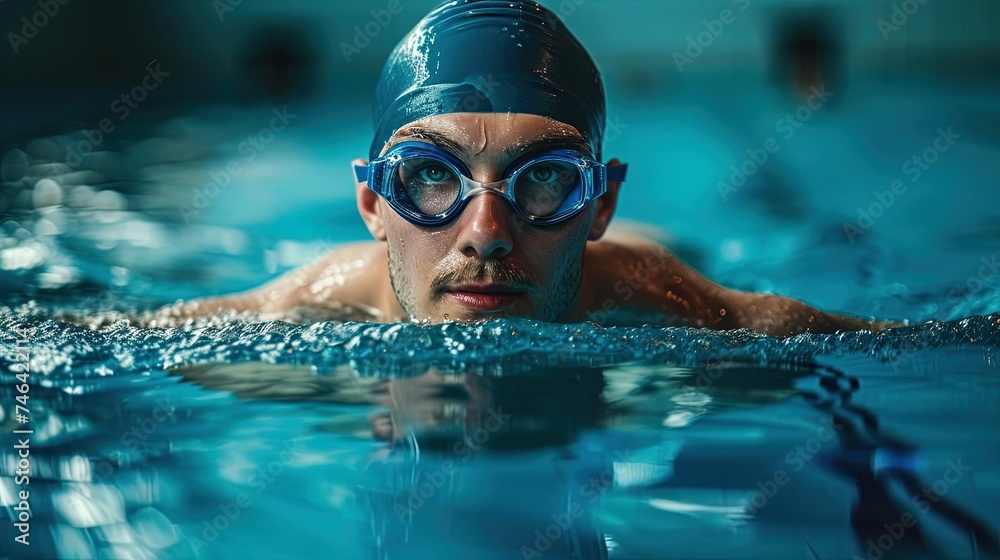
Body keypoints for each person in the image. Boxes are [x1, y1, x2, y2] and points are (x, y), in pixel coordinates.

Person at [152, 0, 899, 336]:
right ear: (373, 204)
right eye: (431, 177)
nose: (486, 234)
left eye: (546, 177)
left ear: (598, 205)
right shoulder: (300, 308)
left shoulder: (660, 296)